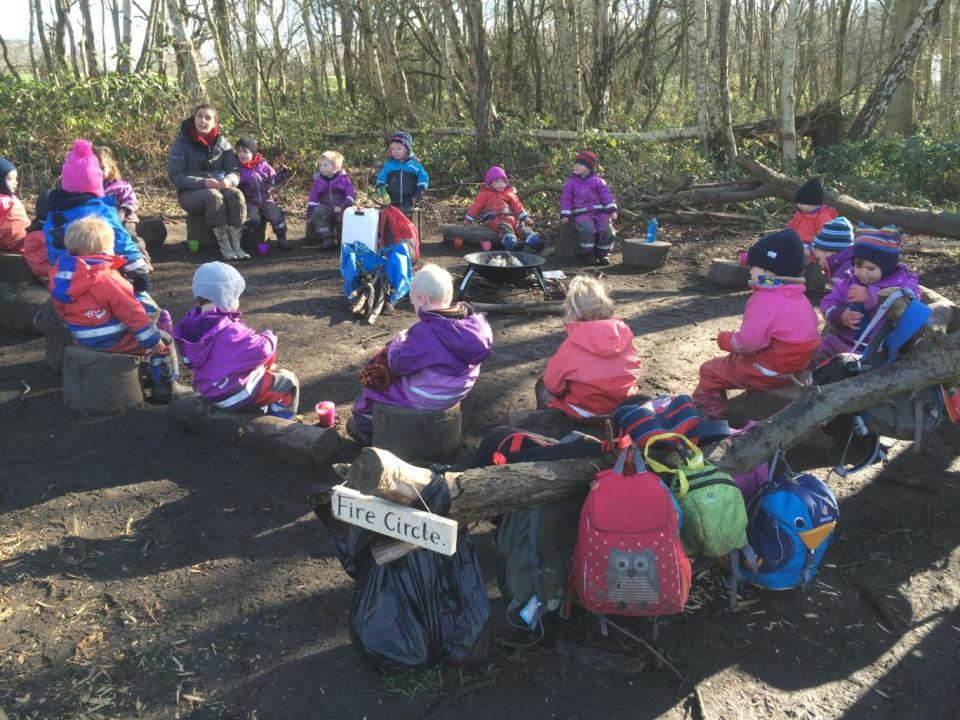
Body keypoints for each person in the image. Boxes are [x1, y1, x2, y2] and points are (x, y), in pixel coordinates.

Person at [349, 264, 493, 443]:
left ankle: (365, 430)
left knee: (373, 392)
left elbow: (398, 365)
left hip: (429, 396)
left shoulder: (426, 332)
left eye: (413, 303)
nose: (414, 307)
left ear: (421, 299)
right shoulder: (472, 323)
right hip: (459, 389)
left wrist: (397, 343)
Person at [693, 229, 820, 419]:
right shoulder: (798, 296)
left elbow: (747, 343)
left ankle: (711, 414)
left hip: (768, 371)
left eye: (754, 267)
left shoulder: (765, 300)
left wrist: (725, 340)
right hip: (794, 366)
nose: (750, 270)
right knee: (733, 360)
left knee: (710, 371)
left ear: (768, 272)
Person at [48, 217, 175, 401]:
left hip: (81, 337)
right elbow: (132, 313)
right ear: (106, 248)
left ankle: (146, 367)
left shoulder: (61, 275)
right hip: (113, 340)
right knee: (165, 340)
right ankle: (164, 388)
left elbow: (59, 305)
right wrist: (152, 341)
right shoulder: (108, 279)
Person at [173, 262, 300, 418]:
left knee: (261, 372)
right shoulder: (229, 329)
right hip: (234, 393)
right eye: (236, 295)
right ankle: (282, 424)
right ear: (226, 296)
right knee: (288, 382)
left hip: (209, 390)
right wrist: (270, 335)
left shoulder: (189, 325)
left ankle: (260, 408)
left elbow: (188, 360)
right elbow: (263, 349)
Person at [44, 139, 153, 308]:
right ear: (96, 183)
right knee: (144, 307)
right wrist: (138, 273)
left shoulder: (53, 214)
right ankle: (152, 326)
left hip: (66, 282)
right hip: (102, 278)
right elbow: (122, 241)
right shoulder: (102, 211)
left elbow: (53, 252)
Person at [538, 275, 642, 420]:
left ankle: (544, 422)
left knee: (543, 387)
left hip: (585, 413)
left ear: (573, 311)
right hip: (623, 408)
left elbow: (554, 386)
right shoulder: (624, 336)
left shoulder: (571, 345)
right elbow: (635, 367)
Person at [816, 225, 920, 364]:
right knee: (820, 350)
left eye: (871, 269)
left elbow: (910, 301)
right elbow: (828, 302)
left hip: (877, 347)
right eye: (858, 266)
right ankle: (816, 377)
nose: (862, 273)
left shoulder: (902, 282)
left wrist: (872, 295)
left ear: (887, 267)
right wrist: (840, 315)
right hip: (844, 339)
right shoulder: (849, 281)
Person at [167, 103, 248, 261]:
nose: (202, 121)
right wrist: (202, 182)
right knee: (213, 196)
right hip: (190, 193)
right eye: (199, 116)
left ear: (214, 123)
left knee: (236, 195)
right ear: (194, 118)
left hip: (220, 187)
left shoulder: (223, 143)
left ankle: (236, 245)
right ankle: (224, 246)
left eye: (207, 118)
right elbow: (175, 176)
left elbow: (235, 171)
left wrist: (229, 181)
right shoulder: (181, 143)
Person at [94, 145, 151, 269]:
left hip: (124, 219)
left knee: (130, 236)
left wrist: (122, 211)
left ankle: (143, 259)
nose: (100, 172)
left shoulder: (120, 186)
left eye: (103, 168)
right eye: (96, 169)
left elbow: (131, 201)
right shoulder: (91, 188)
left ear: (111, 168)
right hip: (103, 221)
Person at [464, 166, 542, 252]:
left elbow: (517, 205)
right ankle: (511, 244)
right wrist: (468, 219)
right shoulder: (484, 194)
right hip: (495, 218)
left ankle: (534, 241)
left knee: (521, 226)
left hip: (511, 217)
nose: (501, 184)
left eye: (503, 181)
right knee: (504, 227)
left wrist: (524, 217)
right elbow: (476, 206)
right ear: (490, 183)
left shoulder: (509, 193)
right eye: (497, 182)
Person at [560, 150, 618, 266]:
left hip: (600, 213)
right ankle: (589, 254)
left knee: (607, 230)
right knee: (587, 230)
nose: (576, 166)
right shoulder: (571, 183)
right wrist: (565, 214)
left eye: (581, 164)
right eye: (576, 163)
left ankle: (603, 254)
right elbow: (566, 199)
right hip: (582, 214)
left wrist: (611, 210)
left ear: (589, 167)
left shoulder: (599, 182)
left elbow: (606, 196)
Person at [234, 136, 292, 251]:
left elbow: (273, 180)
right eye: (239, 151)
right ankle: (245, 240)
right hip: (249, 201)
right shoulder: (238, 169)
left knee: (276, 214)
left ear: (253, 152)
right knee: (252, 218)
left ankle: (282, 238)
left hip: (266, 199)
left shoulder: (263, 166)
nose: (242, 155)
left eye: (245, 151)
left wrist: (282, 175)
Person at [306, 150, 356, 250]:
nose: (321, 168)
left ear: (336, 167)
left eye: (325, 165)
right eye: (320, 165)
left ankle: (343, 239)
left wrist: (342, 206)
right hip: (326, 205)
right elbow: (313, 198)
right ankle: (327, 238)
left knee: (346, 216)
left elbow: (351, 195)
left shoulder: (344, 179)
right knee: (318, 212)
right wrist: (310, 214)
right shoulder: (318, 181)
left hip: (342, 205)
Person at [374, 131, 428, 216]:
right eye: (393, 149)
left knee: (403, 214)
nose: (395, 151)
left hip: (409, 200)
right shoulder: (389, 165)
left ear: (406, 150)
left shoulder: (415, 165)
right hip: (391, 200)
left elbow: (423, 179)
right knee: (388, 216)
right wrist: (380, 187)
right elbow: (381, 178)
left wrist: (419, 191)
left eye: (399, 149)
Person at [787, 178, 839, 249]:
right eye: (798, 203)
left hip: (811, 250)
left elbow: (823, 238)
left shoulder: (823, 217)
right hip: (796, 244)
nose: (798, 205)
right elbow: (791, 226)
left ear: (812, 203)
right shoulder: (800, 213)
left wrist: (810, 250)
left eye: (802, 203)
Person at [810, 216, 855, 282]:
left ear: (832, 252)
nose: (819, 263)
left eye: (819, 258)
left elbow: (837, 287)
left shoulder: (847, 266)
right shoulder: (835, 260)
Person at [0, 156, 29, 252]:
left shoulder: (8, 200)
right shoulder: (8, 201)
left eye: (15, 179)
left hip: (16, 243)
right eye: (9, 179)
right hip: (20, 243)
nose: (15, 183)